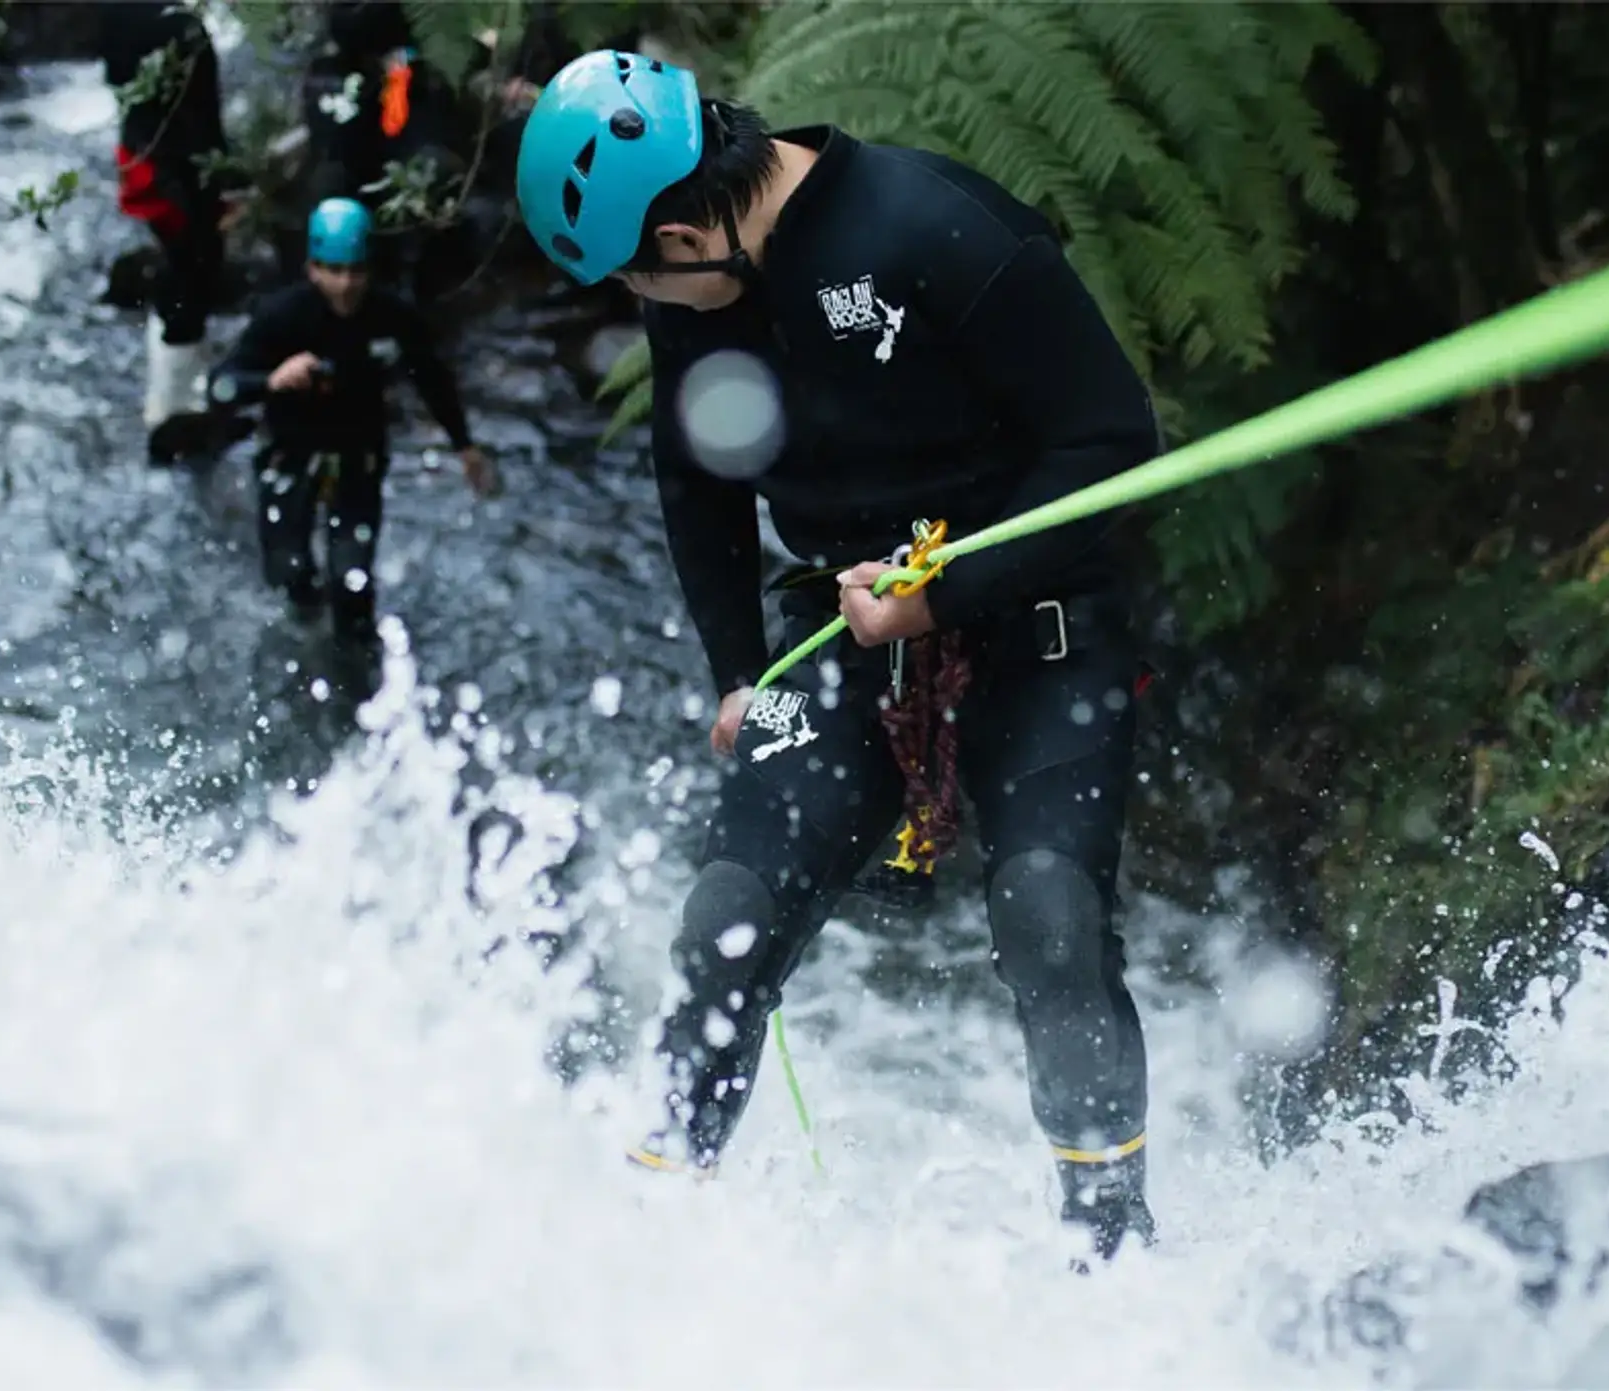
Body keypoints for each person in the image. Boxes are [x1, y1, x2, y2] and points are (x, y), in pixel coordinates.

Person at [514, 51, 1166, 1267]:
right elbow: (691, 474)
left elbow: (1113, 441)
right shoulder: (690, 288)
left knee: (1047, 916)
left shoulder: (935, 230)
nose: (636, 302)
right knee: (726, 918)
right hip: (840, 638)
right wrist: (733, 670)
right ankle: (649, 1226)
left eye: (635, 274)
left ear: (681, 226)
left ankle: (1110, 1257)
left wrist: (946, 591)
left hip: (1034, 626)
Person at [207, 197, 497, 647]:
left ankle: (356, 668)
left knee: (353, 580)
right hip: (290, 453)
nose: (345, 285)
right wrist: (273, 380)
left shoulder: (392, 317)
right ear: (311, 268)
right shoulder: (283, 316)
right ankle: (302, 641)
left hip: (357, 456)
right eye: (333, 271)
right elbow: (221, 385)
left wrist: (465, 446)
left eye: (356, 271)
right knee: (288, 569)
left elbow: (432, 378)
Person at [98, 0, 243, 446]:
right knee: (191, 276)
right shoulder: (181, 27)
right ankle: (173, 409)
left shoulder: (121, 11)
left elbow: (117, 81)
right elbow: (202, 117)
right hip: (177, 172)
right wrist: (224, 182)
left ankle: (176, 398)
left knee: (183, 273)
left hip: (145, 158)